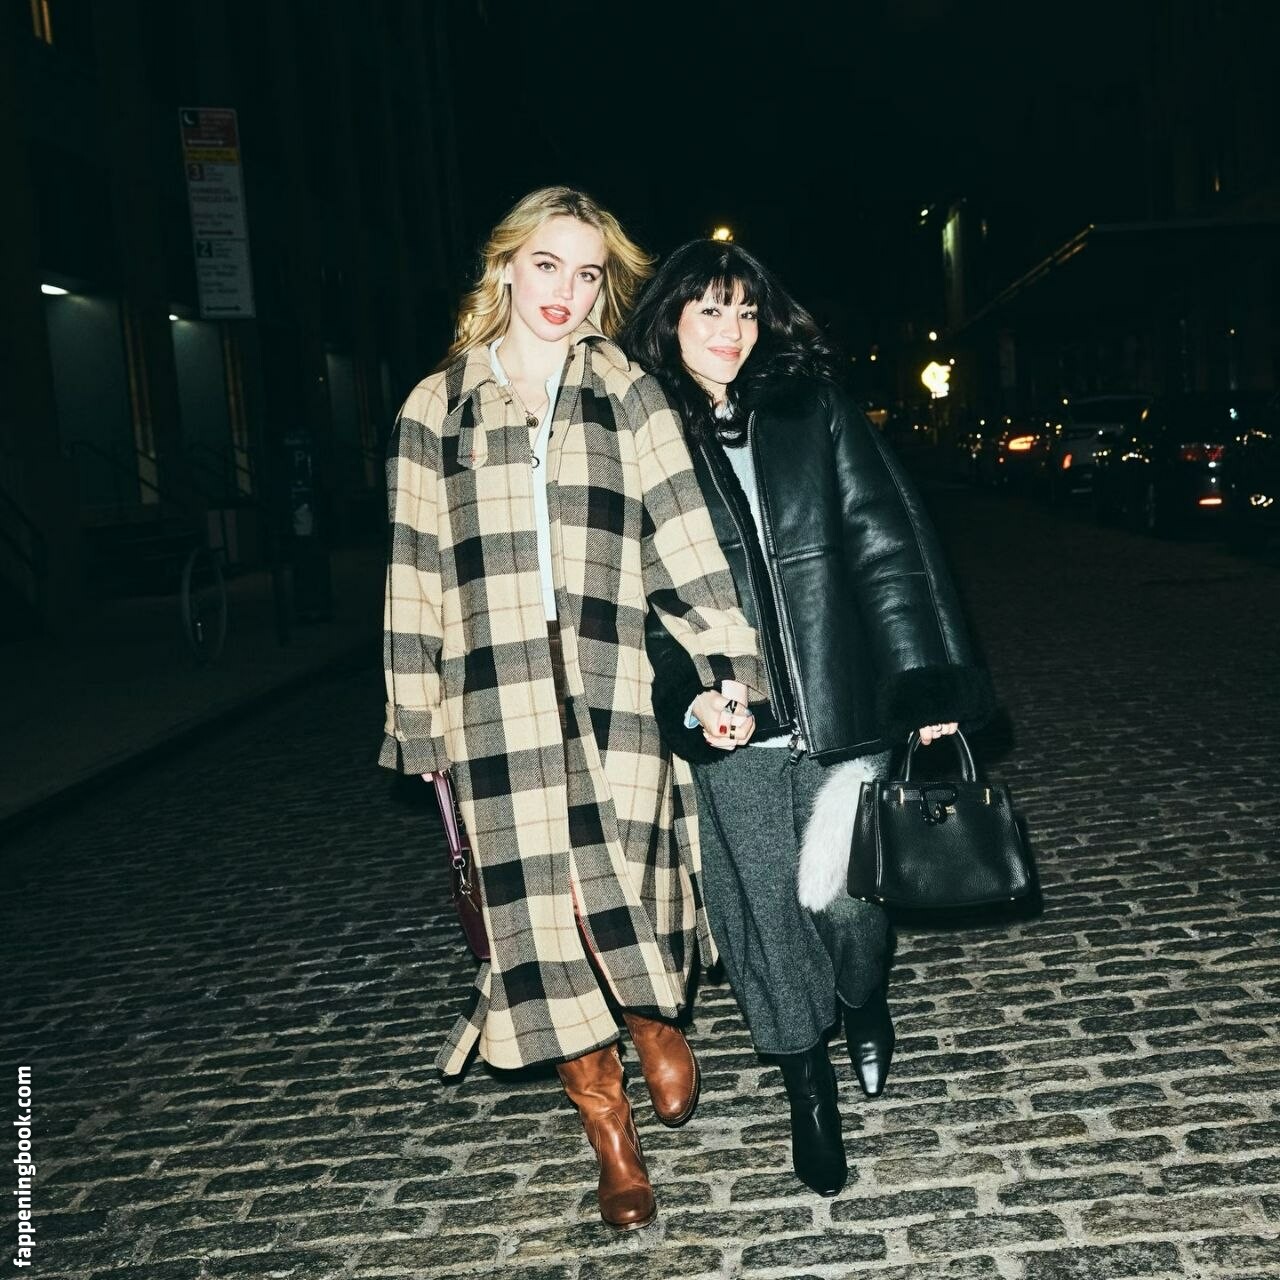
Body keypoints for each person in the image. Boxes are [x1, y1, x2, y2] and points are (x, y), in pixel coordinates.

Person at [380, 189, 765, 1230]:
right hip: (490, 695)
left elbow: (681, 536)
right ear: (505, 266)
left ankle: (650, 1011)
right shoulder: (437, 406)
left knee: (632, 868)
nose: (566, 290)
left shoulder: (626, 391)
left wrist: (728, 662)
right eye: (546, 265)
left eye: (587, 273)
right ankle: (610, 1135)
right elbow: (413, 574)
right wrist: (416, 720)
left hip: (614, 678)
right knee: (538, 920)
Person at [623, 240, 994, 1196]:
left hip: (843, 709)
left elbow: (887, 549)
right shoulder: (638, 430)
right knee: (764, 914)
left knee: (849, 904)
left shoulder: (811, 410)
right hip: (736, 723)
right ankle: (808, 1090)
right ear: (668, 319)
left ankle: (864, 999)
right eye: (709, 310)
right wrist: (688, 693)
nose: (731, 331)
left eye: (746, 311)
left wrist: (925, 692)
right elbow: (636, 594)